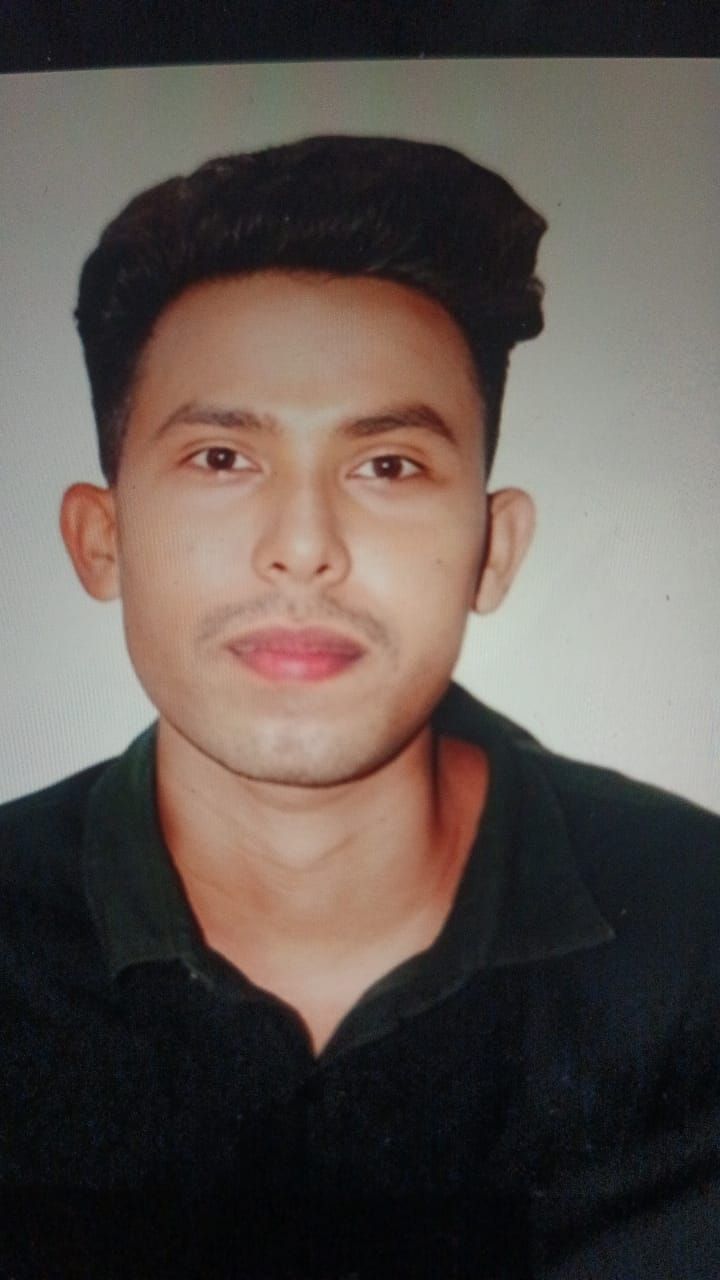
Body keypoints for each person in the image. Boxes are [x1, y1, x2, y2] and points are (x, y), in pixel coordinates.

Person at [1, 134, 718, 1280]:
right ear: (101, 538)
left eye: (388, 465)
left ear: (493, 549)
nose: (303, 547)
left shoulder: (697, 942)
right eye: (222, 455)